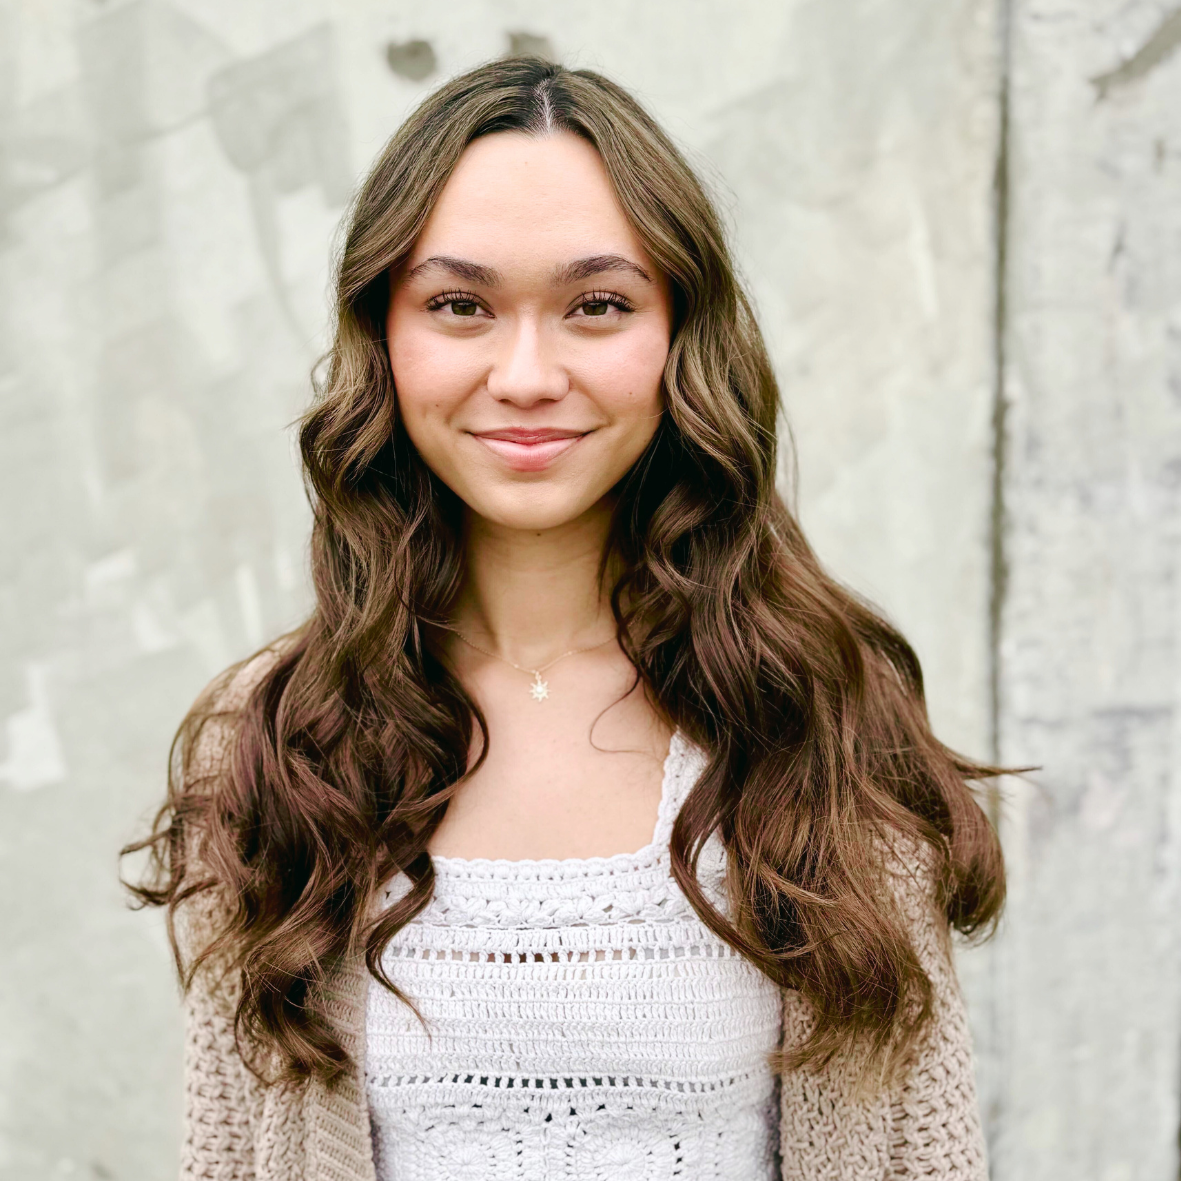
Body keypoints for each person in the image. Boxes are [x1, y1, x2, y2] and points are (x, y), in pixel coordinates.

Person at [125, 56, 1004, 1181]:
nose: (527, 373)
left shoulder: (815, 716)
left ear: (679, 333)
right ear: (382, 336)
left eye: (597, 305)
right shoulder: (278, 743)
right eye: (460, 305)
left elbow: (921, 1155)